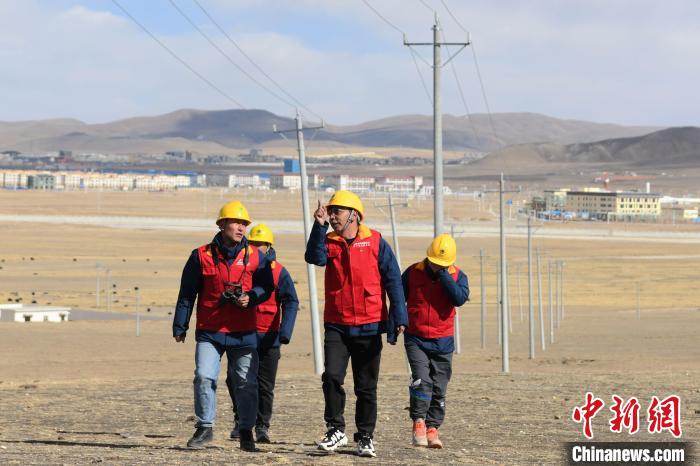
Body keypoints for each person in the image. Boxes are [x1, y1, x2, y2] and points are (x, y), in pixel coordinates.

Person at [305, 190, 408, 458]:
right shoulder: (328, 241)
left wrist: (399, 314)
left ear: (354, 214)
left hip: (369, 323)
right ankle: (335, 429)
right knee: (331, 377)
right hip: (337, 323)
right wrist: (318, 226)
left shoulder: (375, 241)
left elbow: (393, 279)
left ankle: (365, 436)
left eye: (337, 211)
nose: (332, 216)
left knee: (366, 386)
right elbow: (314, 257)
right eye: (330, 211)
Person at [172, 200, 273, 452]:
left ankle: (246, 431)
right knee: (204, 377)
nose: (241, 228)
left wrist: (251, 297)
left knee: (246, 383)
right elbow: (187, 293)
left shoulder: (256, 256)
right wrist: (180, 325)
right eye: (236, 222)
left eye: (244, 224)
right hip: (210, 331)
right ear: (221, 224)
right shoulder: (200, 255)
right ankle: (204, 427)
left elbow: (266, 286)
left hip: (244, 333)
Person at [227, 223, 299, 444]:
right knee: (235, 380)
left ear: (269, 246)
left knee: (265, 385)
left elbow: (291, 301)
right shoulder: (241, 266)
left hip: (269, 337)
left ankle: (262, 427)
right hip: (241, 334)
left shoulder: (279, 271)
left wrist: (285, 332)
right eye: (254, 244)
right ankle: (241, 421)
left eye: (262, 244)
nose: (258, 248)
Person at [401, 234, 469, 449]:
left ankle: (433, 427)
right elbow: (398, 298)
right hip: (416, 337)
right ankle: (419, 422)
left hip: (443, 340)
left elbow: (459, 298)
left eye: (442, 264)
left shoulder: (458, 276)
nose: (437, 266)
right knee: (421, 380)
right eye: (434, 262)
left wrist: (444, 276)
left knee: (439, 386)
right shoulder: (412, 272)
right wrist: (396, 323)